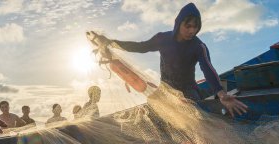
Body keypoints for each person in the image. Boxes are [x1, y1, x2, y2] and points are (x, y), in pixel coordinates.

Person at [101, 3, 247, 117]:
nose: (192, 31)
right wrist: (111, 43)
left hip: (188, 91)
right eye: (188, 26)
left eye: (195, 27)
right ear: (178, 24)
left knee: (196, 116)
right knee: (154, 113)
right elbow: (141, 47)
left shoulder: (198, 46)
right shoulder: (162, 39)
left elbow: (208, 69)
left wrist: (221, 94)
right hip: (166, 89)